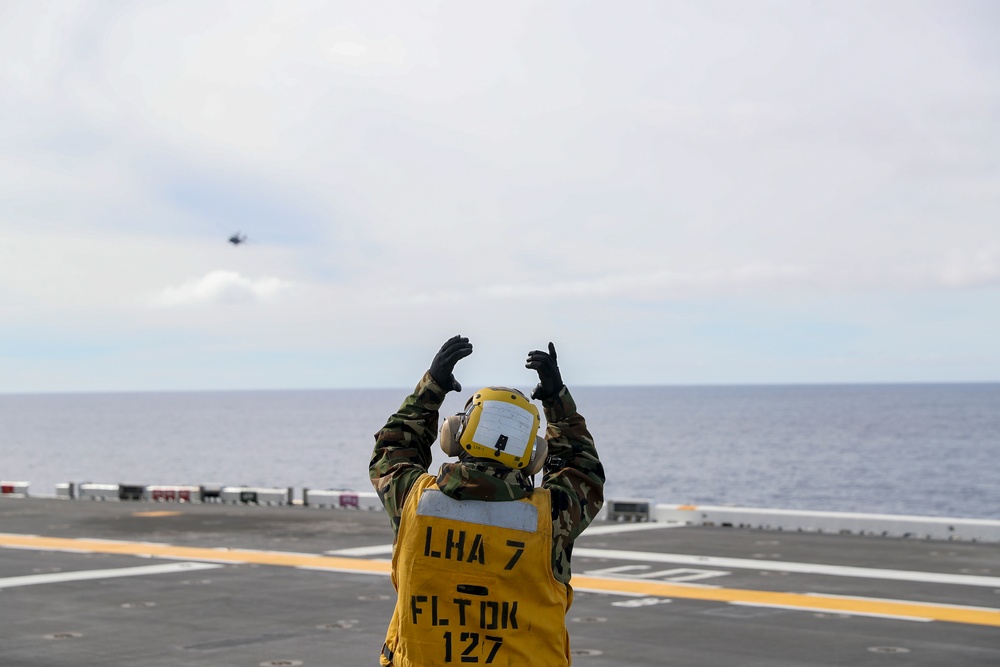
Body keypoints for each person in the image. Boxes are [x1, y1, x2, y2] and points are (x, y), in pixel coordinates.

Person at [369, 335, 605, 666]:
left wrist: (431, 388)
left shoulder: (413, 499)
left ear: (454, 434)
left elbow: (391, 449)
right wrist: (557, 403)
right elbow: (583, 471)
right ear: (534, 456)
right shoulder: (552, 516)